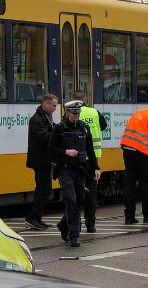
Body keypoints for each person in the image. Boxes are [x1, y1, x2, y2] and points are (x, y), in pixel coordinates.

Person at [49, 100, 99, 248]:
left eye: (78, 113)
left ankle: (63, 225)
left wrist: (96, 167)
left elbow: (90, 149)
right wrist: (66, 152)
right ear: (67, 113)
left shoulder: (84, 128)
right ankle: (74, 236)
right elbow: (51, 149)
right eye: (74, 113)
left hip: (80, 170)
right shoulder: (59, 128)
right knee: (70, 201)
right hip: (65, 170)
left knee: (79, 201)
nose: (76, 116)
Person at [71, 90, 107, 233]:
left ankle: (76, 223)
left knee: (76, 192)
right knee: (91, 193)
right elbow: (103, 126)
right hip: (93, 159)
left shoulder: (70, 114)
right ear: (85, 99)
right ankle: (90, 225)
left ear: (72, 100)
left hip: (76, 159)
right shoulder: (95, 112)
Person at [25, 93, 58, 229]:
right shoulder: (37, 120)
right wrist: (57, 135)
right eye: (53, 106)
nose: (55, 108)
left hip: (44, 159)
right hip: (40, 159)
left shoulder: (45, 117)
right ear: (45, 104)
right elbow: (44, 137)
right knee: (44, 189)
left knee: (42, 189)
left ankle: (37, 217)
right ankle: (33, 217)